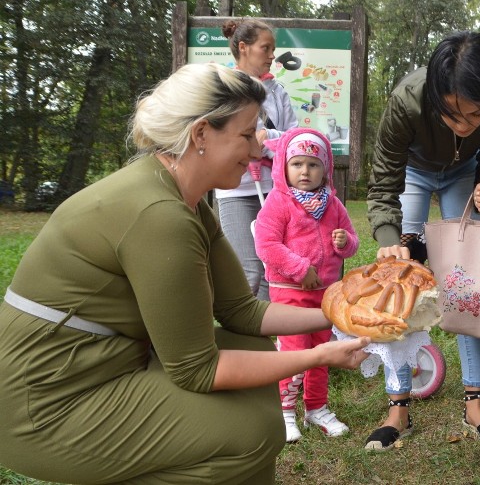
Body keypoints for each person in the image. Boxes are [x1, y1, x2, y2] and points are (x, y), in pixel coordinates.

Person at [0, 63, 369, 485]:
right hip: (44, 404)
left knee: (254, 351)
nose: (257, 152)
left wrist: (342, 314)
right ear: (201, 135)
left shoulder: (184, 198)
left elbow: (240, 311)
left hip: (104, 364)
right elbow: (197, 370)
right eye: (247, 135)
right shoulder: (161, 216)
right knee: (249, 432)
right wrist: (320, 354)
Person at [365, 31, 480, 450]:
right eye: (451, 114)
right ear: (434, 97)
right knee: (398, 280)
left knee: (471, 280)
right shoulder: (407, 101)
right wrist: (390, 238)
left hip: (462, 172)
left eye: (475, 115)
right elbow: (383, 183)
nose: (464, 124)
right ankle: (398, 405)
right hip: (413, 170)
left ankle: (475, 404)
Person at [254, 127, 359, 442]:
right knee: (294, 350)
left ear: (325, 168)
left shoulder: (333, 205)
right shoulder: (279, 202)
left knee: (322, 352)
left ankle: (316, 408)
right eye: (297, 164)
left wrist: (345, 243)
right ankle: (284, 412)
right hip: (291, 294)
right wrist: (300, 269)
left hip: (324, 295)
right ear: (284, 167)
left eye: (313, 164)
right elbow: (267, 244)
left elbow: (351, 242)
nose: (305, 171)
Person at [216, 18, 298, 302]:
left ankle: (265, 338)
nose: (272, 56)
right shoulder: (223, 88)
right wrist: (255, 141)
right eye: (266, 48)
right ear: (243, 47)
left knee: (270, 267)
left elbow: (292, 139)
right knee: (248, 270)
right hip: (235, 190)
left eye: (273, 49)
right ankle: (244, 335)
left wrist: (269, 138)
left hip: (274, 189)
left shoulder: (278, 91)